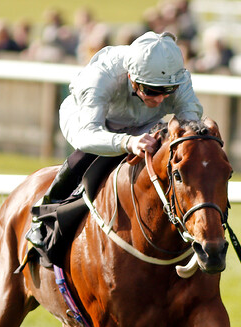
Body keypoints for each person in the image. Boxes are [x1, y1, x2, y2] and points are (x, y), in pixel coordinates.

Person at [26, 31, 203, 248]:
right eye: (151, 90)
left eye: (168, 91)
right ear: (131, 77)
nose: (159, 99)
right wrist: (127, 142)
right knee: (88, 155)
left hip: (145, 123)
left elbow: (189, 123)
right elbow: (87, 135)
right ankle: (44, 215)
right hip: (90, 121)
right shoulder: (101, 76)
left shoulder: (178, 77)